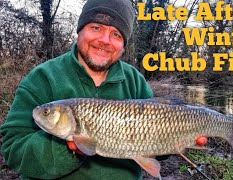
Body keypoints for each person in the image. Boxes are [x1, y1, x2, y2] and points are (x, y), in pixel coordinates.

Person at [0, 0, 154, 179]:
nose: (105, 40)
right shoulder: (42, 78)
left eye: (116, 34)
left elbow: (156, 146)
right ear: (79, 30)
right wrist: (68, 148)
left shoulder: (135, 81)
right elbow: (13, 149)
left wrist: (182, 138)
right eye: (96, 27)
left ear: (123, 45)